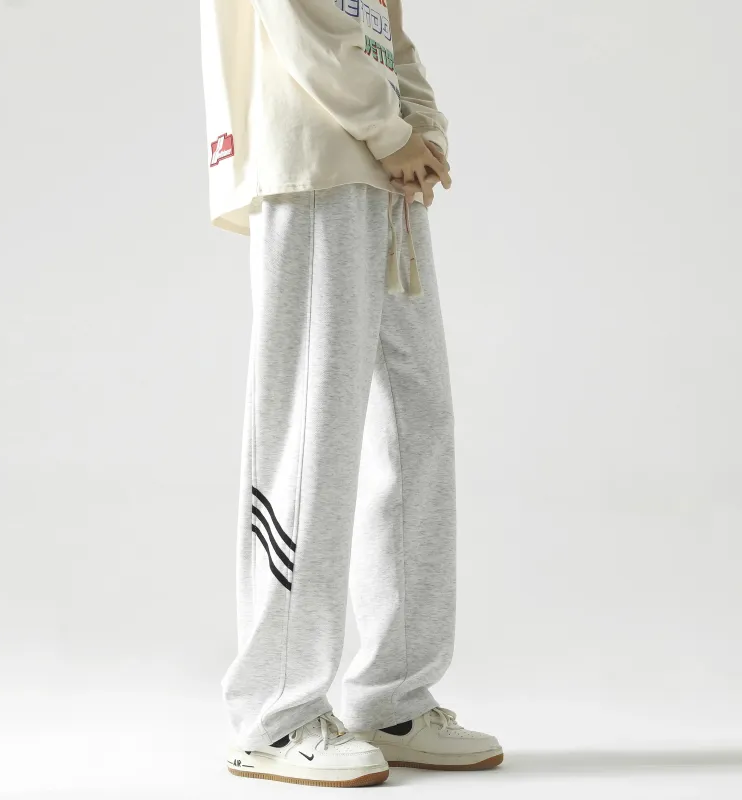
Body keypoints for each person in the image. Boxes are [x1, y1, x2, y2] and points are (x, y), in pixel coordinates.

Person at [199, 0, 503, 787]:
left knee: (417, 422)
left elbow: (389, 34)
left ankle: (393, 697)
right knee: (310, 430)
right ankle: (274, 715)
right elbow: (300, 20)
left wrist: (423, 131)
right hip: (313, 161)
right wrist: (392, 132)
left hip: (384, 170)